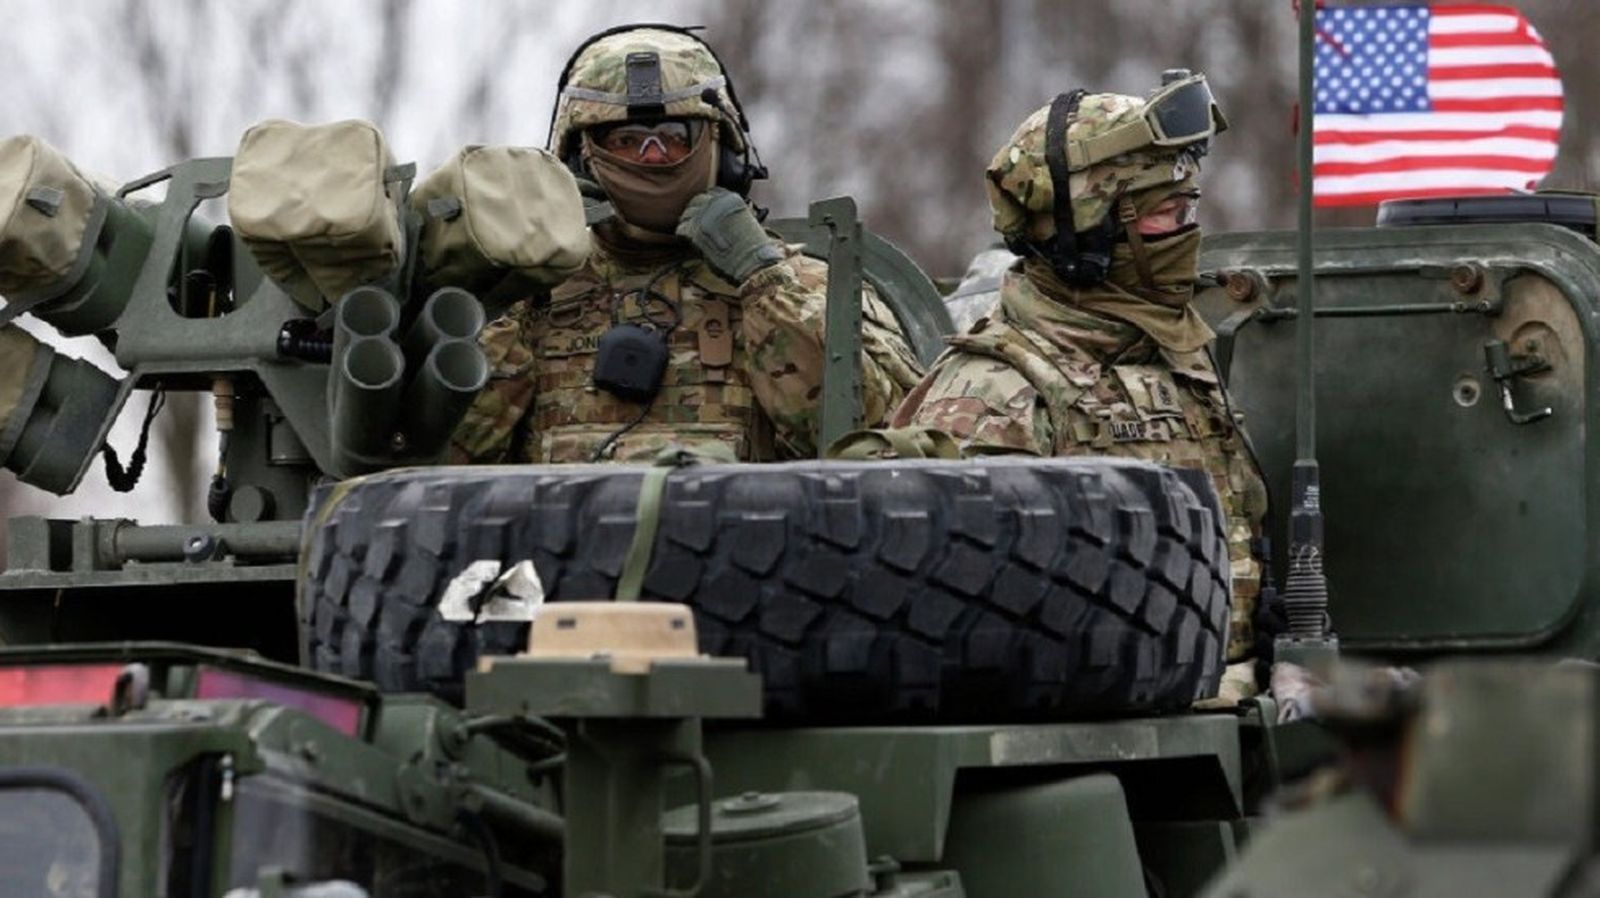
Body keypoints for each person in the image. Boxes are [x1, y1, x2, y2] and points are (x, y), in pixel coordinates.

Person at [893, 75, 1269, 680]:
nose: (1188, 233)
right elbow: (976, 629)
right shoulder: (996, 393)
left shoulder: (1178, 359)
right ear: (1089, 230)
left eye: (1189, 209)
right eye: (1165, 214)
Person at [451, 24, 922, 464]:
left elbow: (884, 450)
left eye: (674, 138)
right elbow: (444, 460)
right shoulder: (528, 293)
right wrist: (515, 289)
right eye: (627, 140)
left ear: (724, 152)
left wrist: (764, 283)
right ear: (579, 159)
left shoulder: (810, 287)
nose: (652, 157)